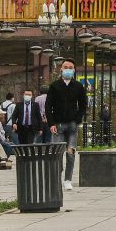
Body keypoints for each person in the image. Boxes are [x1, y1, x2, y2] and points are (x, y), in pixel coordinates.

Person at [45, 60, 89, 189]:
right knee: (57, 153)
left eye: (70, 68)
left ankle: (68, 180)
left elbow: (83, 105)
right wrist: (51, 123)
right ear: (61, 69)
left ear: (74, 70)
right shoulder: (54, 86)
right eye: (66, 67)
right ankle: (56, 179)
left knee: (71, 152)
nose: (68, 69)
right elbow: (48, 106)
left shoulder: (78, 86)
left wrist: (77, 120)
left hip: (72, 125)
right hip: (57, 125)